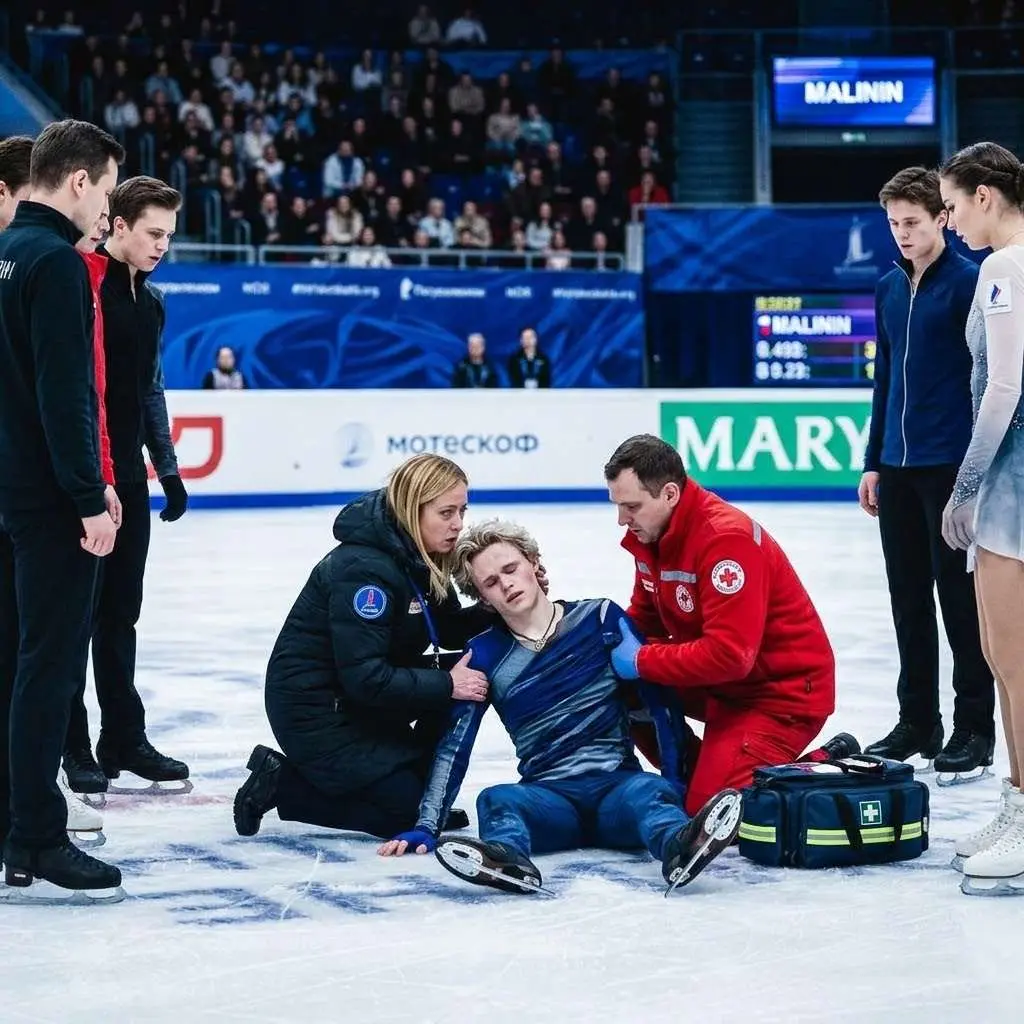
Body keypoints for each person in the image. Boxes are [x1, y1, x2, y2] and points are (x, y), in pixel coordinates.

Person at [376, 520, 743, 896]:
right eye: (490, 583)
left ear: (533, 563)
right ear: (484, 598)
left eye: (510, 569)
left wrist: (676, 785)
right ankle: (508, 861)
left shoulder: (599, 619)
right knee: (496, 799)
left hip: (618, 792)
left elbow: (660, 706)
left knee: (650, 791)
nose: (506, 584)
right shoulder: (486, 655)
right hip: (550, 803)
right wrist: (426, 825)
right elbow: (454, 746)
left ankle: (679, 846)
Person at [233, 454, 503, 841]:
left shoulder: (417, 556)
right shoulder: (363, 570)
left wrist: (499, 605)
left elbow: (449, 633)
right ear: (413, 510)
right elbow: (365, 677)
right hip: (318, 713)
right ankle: (283, 784)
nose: (458, 524)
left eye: (461, 510)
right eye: (446, 512)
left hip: (362, 700)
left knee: (465, 672)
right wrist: (446, 685)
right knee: (405, 814)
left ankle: (416, 794)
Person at [0, 119, 125, 903]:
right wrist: (90, 494)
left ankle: (18, 824)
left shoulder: (7, 255)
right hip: (49, 501)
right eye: (109, 188)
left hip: (12, 491)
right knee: (48, 668)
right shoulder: (54, 264)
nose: (106, 206)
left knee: (16, 661)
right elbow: (65, 395)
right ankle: (39, 837)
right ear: (78, 181)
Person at [603, 434, 855, 816]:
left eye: (631, 507)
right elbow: (642, 619)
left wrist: (641, 661)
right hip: (723, 686)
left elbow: (729, 655)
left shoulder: (726, 540)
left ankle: (823, 762)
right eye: (618, 506)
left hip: (779, 695)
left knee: (713, 811)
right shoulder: (651, 534)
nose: (622, 519)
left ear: (670, 494)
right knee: (620, 687)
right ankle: (696, 771)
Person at [859, 166, 994, 783]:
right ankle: (918, 720)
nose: (902, 234)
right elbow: (883, 381)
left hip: (950, 469)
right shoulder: (888, 288)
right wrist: (872, 461)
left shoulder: (971, 283)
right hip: (897, 469)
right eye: (893, 224)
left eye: (912, 222)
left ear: (943, 217)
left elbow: (989, 380)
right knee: (906, 599)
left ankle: (975, 727)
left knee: (959, 602)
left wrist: (976, 473)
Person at [61, 176, 190, 798]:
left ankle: (123, 737)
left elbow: (148, 390)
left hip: (130, 481)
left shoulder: (153, 301)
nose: (163, 245)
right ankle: (72, 744)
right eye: (153, 232)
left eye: (169, 234)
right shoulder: (79, 282)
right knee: (74, 618)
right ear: (118, 225)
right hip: (84, 477)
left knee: (121, 614)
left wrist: (166, 468)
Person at [937, 141, 1024, 895]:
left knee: (1012, 658)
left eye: (954, 204)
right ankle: (1015, 799)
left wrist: (966, 488)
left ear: (987, 195)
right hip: (1013, 480)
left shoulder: (1004, 267)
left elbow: (1001, 391)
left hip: (1010, 484)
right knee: (1005, 658)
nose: (950, 219)